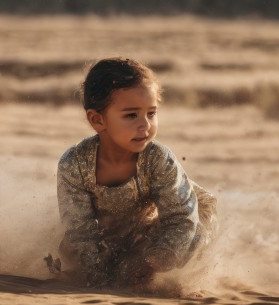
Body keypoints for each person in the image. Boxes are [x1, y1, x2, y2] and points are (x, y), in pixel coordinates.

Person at [56, 57, 217, 288]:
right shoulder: (74, 165)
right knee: (72, 253)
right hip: (124, 227)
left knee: (178, 248)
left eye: (151, 113)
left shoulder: (158, 159)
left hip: (187, 214)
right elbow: (80, 230)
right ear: (97, 120)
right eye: (131, 115)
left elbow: (181, 217)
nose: (145, 125)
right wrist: (96, 277)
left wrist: (155, 262)